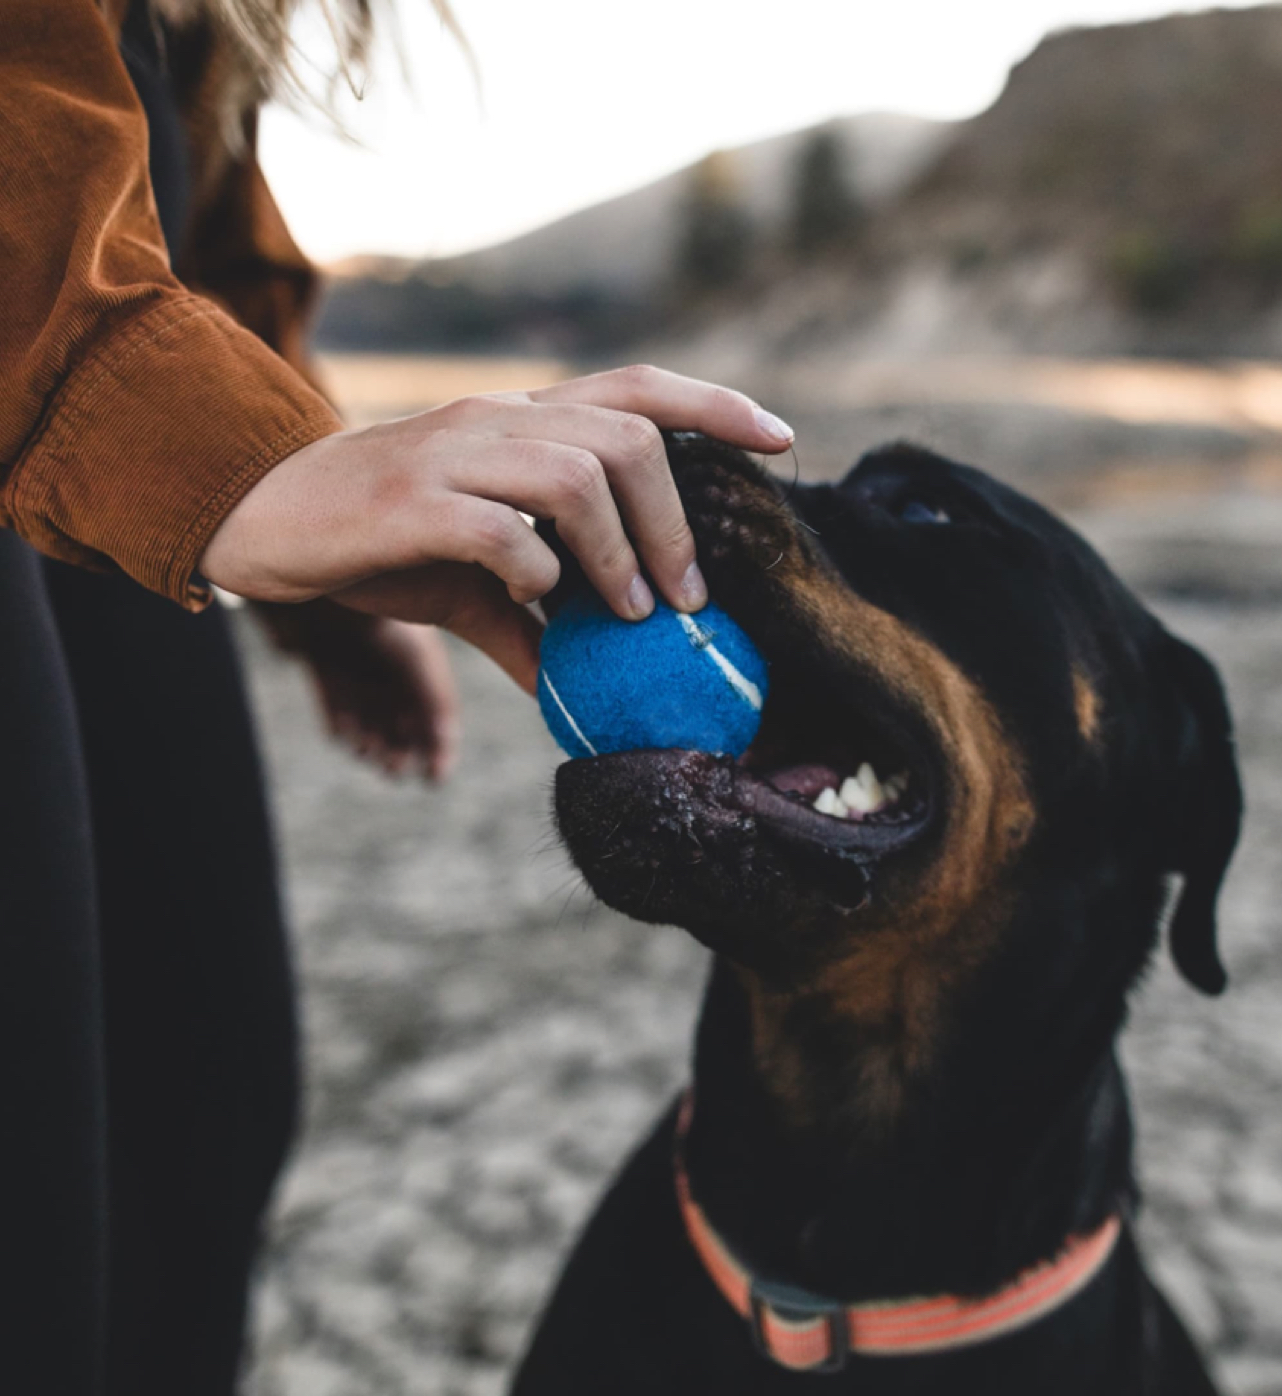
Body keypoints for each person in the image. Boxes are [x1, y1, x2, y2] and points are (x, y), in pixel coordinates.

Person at [0, 2, 795, 1391]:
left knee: (202, 1113)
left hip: (68, 408)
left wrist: (298, 526)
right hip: (47, 354)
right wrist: (203, 451)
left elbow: (191, 198)